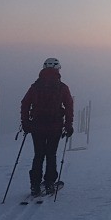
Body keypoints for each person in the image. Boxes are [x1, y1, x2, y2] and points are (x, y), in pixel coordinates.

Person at [20, 57, 74, 196]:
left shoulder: (35, 86)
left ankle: (35, 185)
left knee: (38, 155)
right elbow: (69, 107)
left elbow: (25, 103)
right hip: (55, 127)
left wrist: (25, 123)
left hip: (37, 127)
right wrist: (68, 125)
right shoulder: (62, 87)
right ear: (58, 69)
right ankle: (49, 184)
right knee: (51, 155)